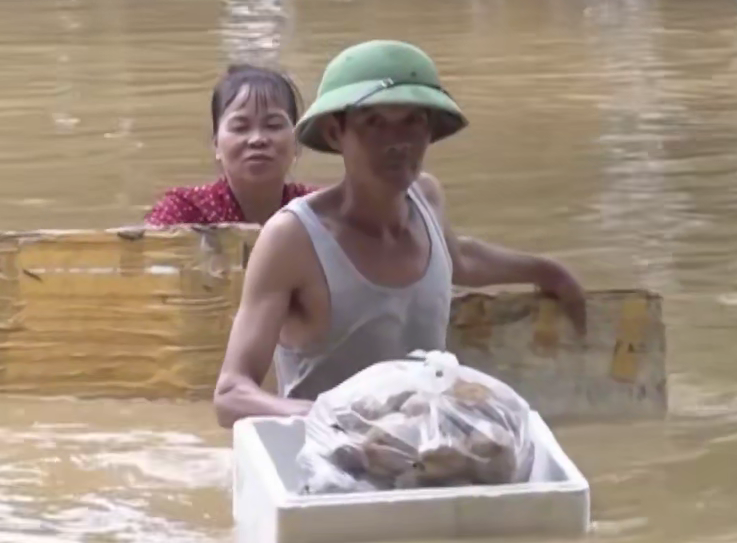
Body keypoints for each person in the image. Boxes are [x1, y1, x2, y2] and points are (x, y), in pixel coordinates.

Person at [213, 40, 587, 428]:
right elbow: (230, 394)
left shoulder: (426, 197)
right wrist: (331, 418)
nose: (398, 142)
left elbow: (460, 260)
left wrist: (547, 272)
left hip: (429, 448)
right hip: (329, 461)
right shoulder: (293, 237)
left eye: (413, 121)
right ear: (335, 131)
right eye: (374, 123)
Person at [144, 63, 315, 227]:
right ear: (216, 144)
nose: (257, 139)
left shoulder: (319, 210)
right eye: (240, 127)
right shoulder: (184, 212)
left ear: (296, 142)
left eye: (273, 125)